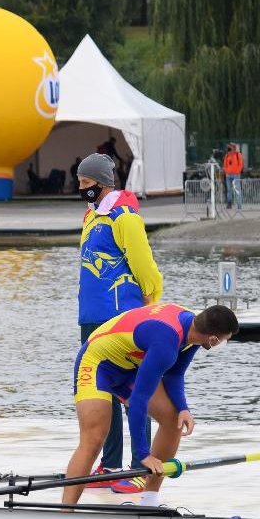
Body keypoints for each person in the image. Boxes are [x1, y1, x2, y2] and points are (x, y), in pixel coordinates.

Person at [63, 304, 239, 508]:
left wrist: (183, 408)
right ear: (213, 340)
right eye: (224, 340)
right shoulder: (167, 341)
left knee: (174, 419)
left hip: (129, 364)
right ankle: (66, 511)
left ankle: (149, 499)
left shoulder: (193, 330)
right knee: (94, 438)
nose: (222, 344)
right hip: (97, 363)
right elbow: (139, 400)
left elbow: (175, 374)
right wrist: (144, 455)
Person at [76, 153, 163, 493]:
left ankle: (142, 466)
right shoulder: (91, 216)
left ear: (102, 183)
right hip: (92, 318)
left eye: (86, 184)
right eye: (80, 183)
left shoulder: (123, 217)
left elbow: (144, 263)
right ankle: (110, 465)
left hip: (121, 317)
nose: (81, 188)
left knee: (131, 391)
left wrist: (151, 298)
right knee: (101, 391)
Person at [223, 143, 244, 211]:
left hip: (236, 174)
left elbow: (241, 164)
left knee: (237, 189)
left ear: (233, 148)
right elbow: (225, 164)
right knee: (229, 190)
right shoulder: (227, 155)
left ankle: (239, 205)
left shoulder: (238, 155)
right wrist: (226, 171)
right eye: (228, 147)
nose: (228, 149)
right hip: (228, 175)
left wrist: (237, 171)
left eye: (230, 147)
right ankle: (229, 203)